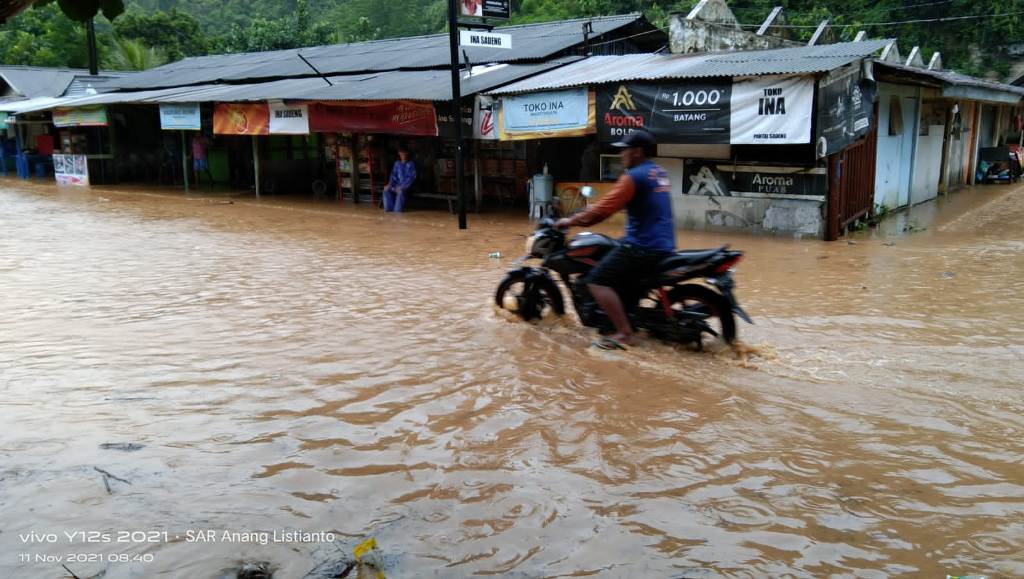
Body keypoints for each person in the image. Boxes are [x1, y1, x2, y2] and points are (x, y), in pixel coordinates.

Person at [555, 129, 675, 350]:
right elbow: (609, 204)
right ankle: (625, 314)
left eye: (625, 150)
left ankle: (624, 334)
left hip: (643, 246)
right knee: (611, 253)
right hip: (663, 244)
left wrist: (569, 221)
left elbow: (601, 212)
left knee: (596, 280)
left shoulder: (633, 177)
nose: (621, 154)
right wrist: (588, 210)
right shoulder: (658, 172)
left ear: (637, 152)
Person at [383, 147, 417, 212]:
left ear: (407, 153)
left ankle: (397, 210)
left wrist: (402, 187)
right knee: (386, 190)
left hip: (407, 187)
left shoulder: (411, 164)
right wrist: (389, 184)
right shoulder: (397, 163)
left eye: (404, 152)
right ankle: (389, 209)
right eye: (401, 152)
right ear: (399, 153)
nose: (402, 154)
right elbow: (393, 176)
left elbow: (411, 179)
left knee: (400, 193)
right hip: (396, 186)